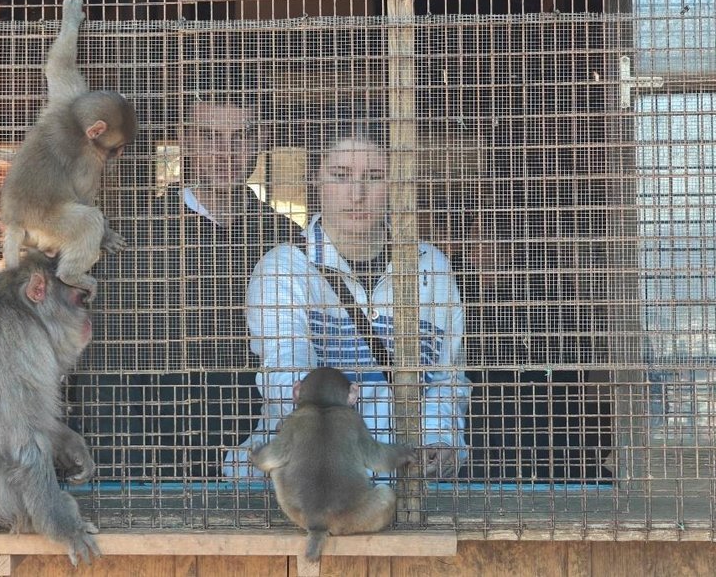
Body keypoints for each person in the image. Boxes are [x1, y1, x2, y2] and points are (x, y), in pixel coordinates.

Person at [70, 95, 304, 480]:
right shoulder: (137, 240)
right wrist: (120, 480)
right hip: (160, 466)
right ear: (185, 139)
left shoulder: (287, 240)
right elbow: (103, 374)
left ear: (262, 137)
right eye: (210, 136)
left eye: (240, 136)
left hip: (269, 469)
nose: (225, 152)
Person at [227, 128, 470, 479]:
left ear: (395, 182)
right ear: (316, 178)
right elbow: (283, 362)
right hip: (307, 478)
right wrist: (302, 390)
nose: (356, 194)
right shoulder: (285, 267)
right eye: (340, 176)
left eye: (374, 177)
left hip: (405, 483)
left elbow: (446, 379)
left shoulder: (430, 266)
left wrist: (438, 442)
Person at [458, 206, 613, 482]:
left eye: (484, 239)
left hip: (539, 439)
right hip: (510, 441)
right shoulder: (482, 294)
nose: (473, 252)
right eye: (472, 240)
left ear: (511, 246)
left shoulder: (543, 295)